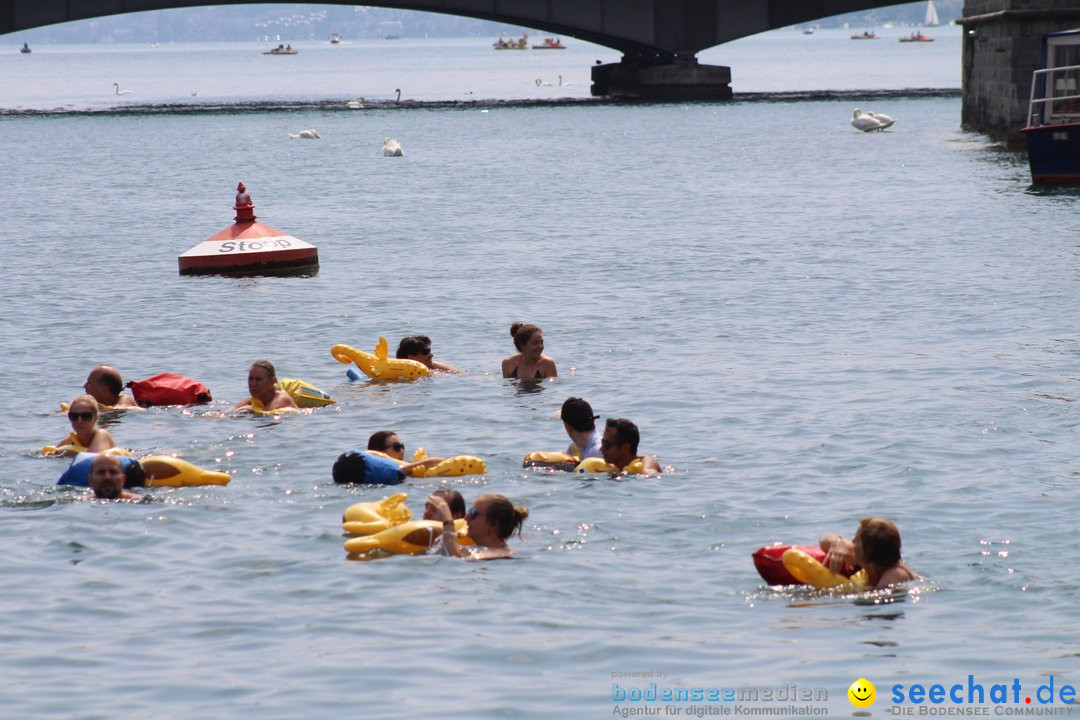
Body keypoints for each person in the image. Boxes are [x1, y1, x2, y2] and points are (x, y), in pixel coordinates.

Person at [821, 518, 919, 590]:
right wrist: (837, 544)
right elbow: (825, 539)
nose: (852, 542)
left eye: (855, 541)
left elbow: (879, 597)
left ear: (865, 551)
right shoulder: (869, 559)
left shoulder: (895, 574)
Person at [425, 492, 528, 560]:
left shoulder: (498, 554)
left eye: (474, 513)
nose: (466, 518)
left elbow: (456, 558)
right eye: (470, 511)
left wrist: (448, 521)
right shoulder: (474, 548)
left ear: (492, 524)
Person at [50, 395, 117, 455]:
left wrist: (68, 454)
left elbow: (93, 458)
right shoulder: (68, 442)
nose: (79, 421)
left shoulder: (102, 435)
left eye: (86, 416)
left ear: (96, 417)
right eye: (74, 416)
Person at [232, 360, 298, 412]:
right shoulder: (257, 398)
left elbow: (265, 416)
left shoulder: (282, 399)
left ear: (272, 382)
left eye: (258, 379)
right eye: (251, 379)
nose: (253, 383)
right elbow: (231, 412)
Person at [395, 336, 463, 374]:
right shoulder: (394, 370)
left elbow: (461, 374)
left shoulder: (434, 367)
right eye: (426, 352)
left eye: (429, 350)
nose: (431, 355)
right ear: (411, 358)